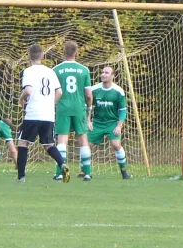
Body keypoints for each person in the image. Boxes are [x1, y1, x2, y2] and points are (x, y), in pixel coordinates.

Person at [16, 44, 69, 183]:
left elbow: (28, 90)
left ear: (29, 56)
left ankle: (21, 177)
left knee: (23, 143)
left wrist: (21, 99)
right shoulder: (50, 72)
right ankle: (62, 164)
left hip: (34, 114)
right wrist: (51, 105)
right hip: (48, 115)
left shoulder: (28, 71)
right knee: (49, 145)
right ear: (43, 56)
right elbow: (59, 92)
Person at [52, 41, 93, 181]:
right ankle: (87, 172)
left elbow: (55, 91)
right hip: (79, 107)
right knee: (82, 139)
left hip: (63, 107)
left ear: (64, 51)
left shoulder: (56, 70)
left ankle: (61, 173)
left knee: (62, 140)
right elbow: (88, 94)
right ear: (77, 52)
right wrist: (89, 109)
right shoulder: (84, 70)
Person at [88, 66, 130, 179]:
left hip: (112, 123)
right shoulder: (94, 90)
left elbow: (122, 110)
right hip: (97, 122)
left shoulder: (118, 91)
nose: (103, 74)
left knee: (116, 145)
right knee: (87, 146)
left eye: (107, 73)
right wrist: (88, 121)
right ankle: (85, 172)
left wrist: (119, 125)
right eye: (102, 72)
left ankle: (124, 171)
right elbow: (87, 106)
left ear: (113, 76)